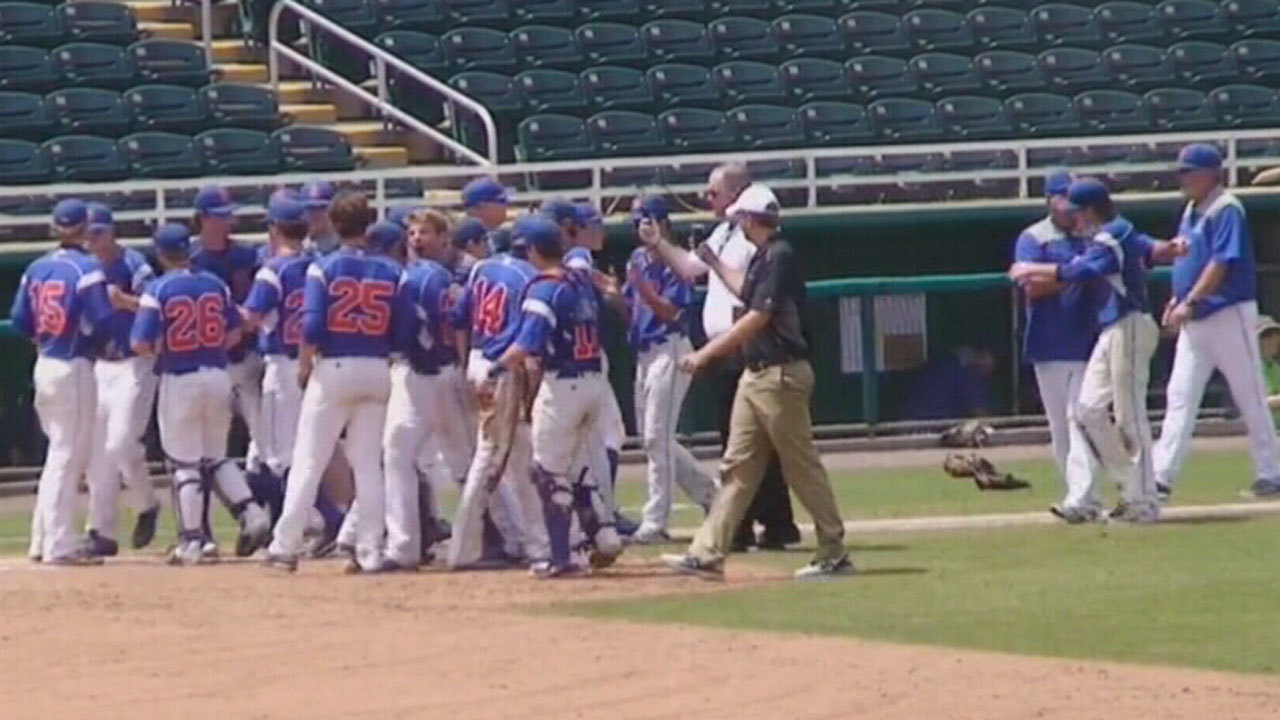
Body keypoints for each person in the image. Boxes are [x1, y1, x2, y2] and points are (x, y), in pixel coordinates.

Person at [661, 184, 851, 580]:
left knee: (800, 466)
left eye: (740, 218)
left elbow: (757, 317)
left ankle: (834, 549)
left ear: (749, 219)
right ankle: (708, 552)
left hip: (780, 373)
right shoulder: (766, 256)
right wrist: (714, 262)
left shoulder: (780, 256)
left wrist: (706, 354)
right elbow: (746, 293)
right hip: (757, 373)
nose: (737, 225)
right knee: (737, 467)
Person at [1009, 178, 1184, 524]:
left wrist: (1033, 268)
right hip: (1111, 330)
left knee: (1130, 416)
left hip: (1130, 324)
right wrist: (1173, 247)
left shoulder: (1114, 232)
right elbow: (1151, 249)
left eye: (1077, 212)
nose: (1073, 220)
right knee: (1087, 411)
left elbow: (1082, 270)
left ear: (1089, 210)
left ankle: (1145, 499)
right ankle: (1132, 486)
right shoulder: (1107, 233)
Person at [644, 164, 799, 551]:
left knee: (745, 443)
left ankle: (751, 524)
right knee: (745, 441)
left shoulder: (750, 236)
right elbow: (691, 268)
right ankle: (769, 523)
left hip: (744, 348)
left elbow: (749, 293)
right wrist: (659, 243)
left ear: (735, 194)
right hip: (724, 350)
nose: (707, 199)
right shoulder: (725, 231)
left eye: (713, 193)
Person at [264, 190, 401, 574]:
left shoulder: (323, 267)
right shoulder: (391, 270)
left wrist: (306, 364)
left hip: (335, 366)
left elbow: (311, 325)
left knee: (309, 458)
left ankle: (284, 545)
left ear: (334, 225)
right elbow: (403, 328)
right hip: (377, 365)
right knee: (367, 464)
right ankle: (370, 550)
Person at [481, 215, 622, 578]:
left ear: (531, 250)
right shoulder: (581, 280)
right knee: (576, 470)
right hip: (593, 381)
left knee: (547, 473)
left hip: (564, 385)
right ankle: (604, 536)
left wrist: (493, 370)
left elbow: (528, 343)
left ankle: (563, 559)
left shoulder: (544, 287)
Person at [130, 224, 272, 565]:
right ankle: (252, 513)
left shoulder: (158, 289)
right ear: (189, 250)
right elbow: (235, 332)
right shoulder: (214, 284)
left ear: (161, 254)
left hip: (179, 377)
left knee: (185, 464)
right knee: (216, 457)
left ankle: (192, 541)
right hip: (217, 374)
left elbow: (139, 343)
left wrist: (164, 352)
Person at [1152, 144, 1280, 500]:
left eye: (1188, 172)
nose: (1183, 179)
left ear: (1210, 173)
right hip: (1197, 319)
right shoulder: (1193, 209)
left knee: (1250, 396)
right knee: (1180, 397)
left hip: (1228, 312)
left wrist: (1190, 301)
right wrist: (1177, 299)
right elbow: (1190, 259)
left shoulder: (1226, 208)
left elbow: (1221, 263)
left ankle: (1272, 472)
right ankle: (1161, 478)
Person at [10, 199, 114, 565]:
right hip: (74, 367)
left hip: (46, 363)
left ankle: (42, 539)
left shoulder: (37, 268)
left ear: (56, 228)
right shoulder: (86, 268)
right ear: (85, 229)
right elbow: (102, 322)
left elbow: (21, 321)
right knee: (69, 456)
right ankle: (59, 543)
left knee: (58, 454)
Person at [380, 211, 479, 570]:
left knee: (467, 463)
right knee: (396, 452)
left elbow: (453, 327)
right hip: (417, 375)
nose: (417, 238)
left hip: (440, 373)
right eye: (412, 232)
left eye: (425, 232)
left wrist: (463, 367)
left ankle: (508, 538)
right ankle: (402, 547)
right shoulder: (421, 276)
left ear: (443, 239)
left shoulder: (433, 278)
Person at [448, 213, 545, 569]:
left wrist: (467, 363)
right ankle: (463, 550)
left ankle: (536, 543)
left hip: (479, 359)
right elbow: (528, 344)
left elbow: (458, 320)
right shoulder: (529, 276)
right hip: (505, 369)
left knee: (520, 461)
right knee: (488, 458)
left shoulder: (481, 270)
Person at [624, 196, 717, 543]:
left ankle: (656, 520)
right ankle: (711, 494)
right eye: (636, 222)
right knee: (654, 439)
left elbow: (672, 313)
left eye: (644, 221)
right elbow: (632, 308)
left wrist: (644, 290)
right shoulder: (636, 259)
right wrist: (612, 293)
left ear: (660, 223)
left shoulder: (675, 260)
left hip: (672, 348)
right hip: (645, 352)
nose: (639, 228)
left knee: (656, 436)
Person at [542, 198, 633, 536]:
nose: (599, 233)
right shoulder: (578, 258)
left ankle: (595, 515)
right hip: (582, 361)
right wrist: (611, 293)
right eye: (592, 226)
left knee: (572, 448)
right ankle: (599, 515)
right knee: (600, 439)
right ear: (572, 229)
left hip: (562, 362)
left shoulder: (558, 261)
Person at [1012, 170, 1098, 500]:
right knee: (1061, 428)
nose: (1069, 205)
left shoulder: (1091, 234)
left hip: (1089, 340)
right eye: (1063, 197)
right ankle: (1078, 495)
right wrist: (1075, 275)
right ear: (1049, 199)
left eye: (1073, 198)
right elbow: (1030, 287)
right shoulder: (1034, 237)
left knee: (1081, 419)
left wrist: (1061, 274)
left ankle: (1082, 496)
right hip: (1050, 342)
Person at [81, 202, 161, 557]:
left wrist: (124, 301)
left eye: (98, 233)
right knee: (97, 453)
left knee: (120, 444)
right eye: (88, 234)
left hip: (136, 362)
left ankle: (147, 503)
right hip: (102, 363)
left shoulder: (133, 262)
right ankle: (101, 531)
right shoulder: (85, 268)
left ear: (111, 231)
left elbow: (156, 302)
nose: (93, 240)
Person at [190, 184, 266, 551]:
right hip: (208, 365)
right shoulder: (190, 257)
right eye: (219, 217)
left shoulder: (246, 255)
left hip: (247, 362)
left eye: (228, 217)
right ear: (203, 218)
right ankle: (204, 529)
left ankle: (263, 519)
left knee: (266, 447)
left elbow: (257, 305)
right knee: (204, 452)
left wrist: (242, 323)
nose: (227, 223)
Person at [240, 191, 316, 527]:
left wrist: (221, 308)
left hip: (282, 366)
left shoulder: (273, 270)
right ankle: (268, 524)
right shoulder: (316, 265)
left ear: (275, 229)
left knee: (278, 455)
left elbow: (251, 318)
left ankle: (314, 521)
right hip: (313, 363)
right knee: (278, 451)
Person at [899, 347, 995, 421]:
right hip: (928, 430)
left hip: (905, 424)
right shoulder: (969, 372)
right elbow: (980, 414)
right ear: (985, 356)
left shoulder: (940, 362)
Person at [300, 180, 339, 255]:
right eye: (310, 208)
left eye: (321, 208)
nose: (315, 214)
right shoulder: (298, 247)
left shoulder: (344, 246)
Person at [1257, 315, 1280, 426]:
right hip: (1262, 431)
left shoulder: (1275, 367)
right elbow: (1256, 404)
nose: (1274, 339)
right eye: (1266, 336)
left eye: (1276, 333)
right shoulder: (1250, 369)